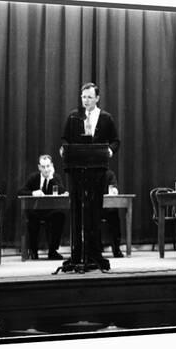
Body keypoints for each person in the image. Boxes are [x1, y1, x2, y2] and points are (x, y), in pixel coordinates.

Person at [60, 82, 120, 271]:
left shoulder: (106, 118)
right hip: (77, 171)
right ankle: (77, 255)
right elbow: (65, 139)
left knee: (94, 213)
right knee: (77, 212)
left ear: (97, 98)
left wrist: (109, 151)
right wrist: (63, 149)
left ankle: (94, 254)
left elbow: (116, 141)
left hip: (97, 171)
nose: (85, 100)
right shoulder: (73, 117)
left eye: (89, 97)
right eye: (83, 97)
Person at [18, 154, 67, 260]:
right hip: (36, 211)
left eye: (48, 166)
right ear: (39, 167)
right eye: (43, 167)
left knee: (60, 215)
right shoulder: (34, 177)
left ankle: (53, 251)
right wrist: (32, 193)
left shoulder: (56, 177)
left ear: (52, 166)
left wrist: (51, 179)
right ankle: (33, 251)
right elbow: (20, 191)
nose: (46, 170)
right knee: (31, 217)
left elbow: (64, 192)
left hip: (51, 211)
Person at [103, 169, 124, 258]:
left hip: (107, 208)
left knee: (114, 216)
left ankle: (116, 249)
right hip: (92, 208)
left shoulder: (109, 174)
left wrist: (114, 190)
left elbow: (114, 186)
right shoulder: (89, 173)